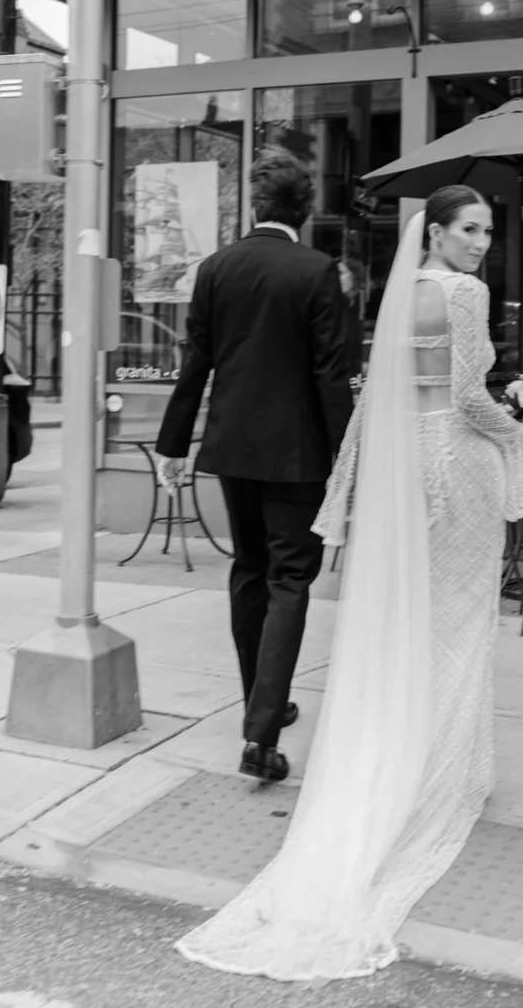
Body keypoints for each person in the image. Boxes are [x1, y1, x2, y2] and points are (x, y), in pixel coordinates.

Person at [174, 185, 523, 981]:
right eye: (469, 229)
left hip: (410, 471)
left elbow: (388, 392)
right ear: (436, 231)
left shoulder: (403, 290)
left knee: (412, 619)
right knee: (459, 619)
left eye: (487, 232)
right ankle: (443, 776)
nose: (482, 243)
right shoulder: (465, 293)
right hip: (460, 469)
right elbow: (471, 395)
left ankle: (389, 756)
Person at [156, 148, 354, 785]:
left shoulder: (216, 268)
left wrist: (171, 446)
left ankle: (261, 704)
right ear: (305, 210)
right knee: (290, 581)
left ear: (257, 207)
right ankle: (260, 736)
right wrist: (345, 458)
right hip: (297, 459)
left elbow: (196, 363)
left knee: (249, 572)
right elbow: (331, 379)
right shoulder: (318, 272)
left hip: (232, 450)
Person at [337, 256, 367, 385]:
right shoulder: (336, 305)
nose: (337, 279)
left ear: (354, 275)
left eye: (341, 273)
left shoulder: (357, 304)